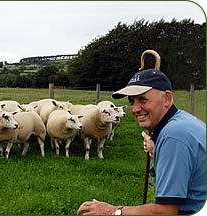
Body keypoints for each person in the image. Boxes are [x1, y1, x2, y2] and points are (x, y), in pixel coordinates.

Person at [77, 69, 206, 215]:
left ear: (167, 99)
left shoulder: (173, 135)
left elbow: (166, 211)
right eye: (131, 101)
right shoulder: (183, 121)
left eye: (143, 99)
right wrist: (158, 150)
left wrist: (113, 211)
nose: (135, 109)